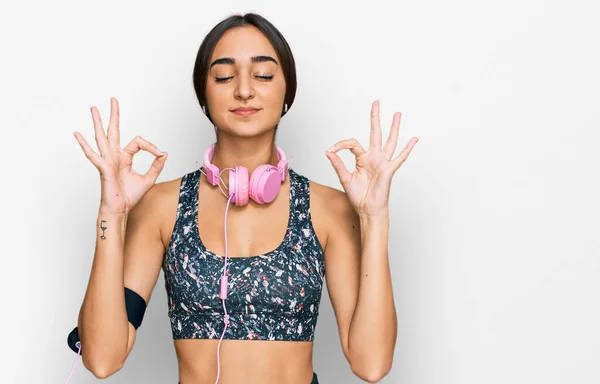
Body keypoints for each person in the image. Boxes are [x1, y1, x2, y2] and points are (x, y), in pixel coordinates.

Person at [71, 12, 418, 384]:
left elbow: (372, 364)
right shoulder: (162, 207)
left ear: (288, 91)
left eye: (264, 75)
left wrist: (375, 217)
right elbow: (102, 359)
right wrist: (112, 213)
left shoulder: (330, 209)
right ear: (204, 95)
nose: (244, 90)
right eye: (223, 76)